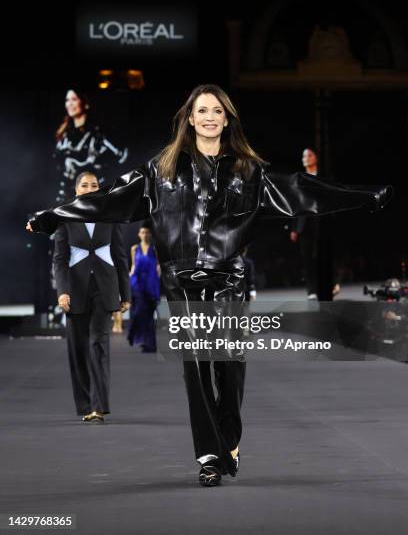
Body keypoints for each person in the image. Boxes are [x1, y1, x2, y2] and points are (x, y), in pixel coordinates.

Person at [26, 84, 391, 486]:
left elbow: (303, 190)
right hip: (180, 281)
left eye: (217, 110)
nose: (210, 117)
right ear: (190, 118)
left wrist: (363, 195)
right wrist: (54, 216)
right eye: (202, 110)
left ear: (227, 118)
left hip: (229, 277)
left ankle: (229, 440)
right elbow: (109, 198)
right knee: (196, 369)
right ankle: (210, 457)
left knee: (229, 366)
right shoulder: (160, 170)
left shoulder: (250, 172)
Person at [42, 171, 130, 423]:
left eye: (94, 184)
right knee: (78, 349)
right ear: (77, 189)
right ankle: (84, 404)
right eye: (85, 185)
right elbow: (59, 259)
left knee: (98, 344)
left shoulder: (111, 216)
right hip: (75, 290)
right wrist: (62, 291)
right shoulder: (65, 216)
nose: (90, 188)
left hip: (105, 287)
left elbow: (121, 257)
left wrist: (125, 293)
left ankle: (98, 407)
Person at [54, 89, 128, 203]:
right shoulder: (64, 135)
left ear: (85, 103)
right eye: (67, 100)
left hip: (92, 198)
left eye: (74, 99)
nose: (69, 103)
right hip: (66, 197)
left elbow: (121, 157)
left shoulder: (98, 134)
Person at [290, 148, 341, 299]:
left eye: (309, 155)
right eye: (304, 155)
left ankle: (334, 284)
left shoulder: (324, 176)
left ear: (316, 158)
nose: (305, 158)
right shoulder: (299, 178)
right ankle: (312, 290)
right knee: (307, 259)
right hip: (305, 223)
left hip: (322, 220)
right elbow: (295, 203)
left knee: (326, 254)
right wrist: (294, 227)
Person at [128, 224, 161, 352]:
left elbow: (158, 265)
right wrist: (130, 277)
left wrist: (158, 275)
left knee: (149, 315)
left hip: (151, 284)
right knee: (138, 312)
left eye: (147, 232)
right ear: (139, 234)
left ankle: (150, 344)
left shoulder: (154, 249)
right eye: (142, 232)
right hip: (137, 283)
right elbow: (133, 265)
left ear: (150, 234)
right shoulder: (134, 249)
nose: (145, 235)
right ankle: (133, 333)